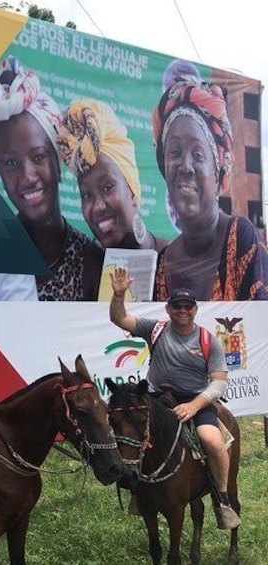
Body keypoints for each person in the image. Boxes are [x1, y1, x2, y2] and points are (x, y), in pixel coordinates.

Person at [0, 56, 104, 301]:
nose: (27, 176)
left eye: (39, 157)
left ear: (58, 162)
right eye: (11, 163)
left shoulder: (91, 262)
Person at [108, 265, 240, 529]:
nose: (182, 310)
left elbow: (218, 384)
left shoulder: (208, 340)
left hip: (196, 400)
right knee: (130, 432)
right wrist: (119, 296)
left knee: (212, 441)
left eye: (187, 306)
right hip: (157, 398)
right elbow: (119, 319)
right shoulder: (155, 329)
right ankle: (138, 491)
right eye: (177, 306)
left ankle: (222, 500)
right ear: (168, 309)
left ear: (195, 310)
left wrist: (194, 405)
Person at [152, 60, 268, 300]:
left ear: (218, 172)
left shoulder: (240, 238)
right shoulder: (163, 262)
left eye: (197, 154)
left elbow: (259, 327)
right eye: (174, 152)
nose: (185, 166)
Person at [58, 98, 168, 251]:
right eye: (86, 195)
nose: (97, 207)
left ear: (131, 190)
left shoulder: (174, 263)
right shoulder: (89, 269)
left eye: (107, 187)